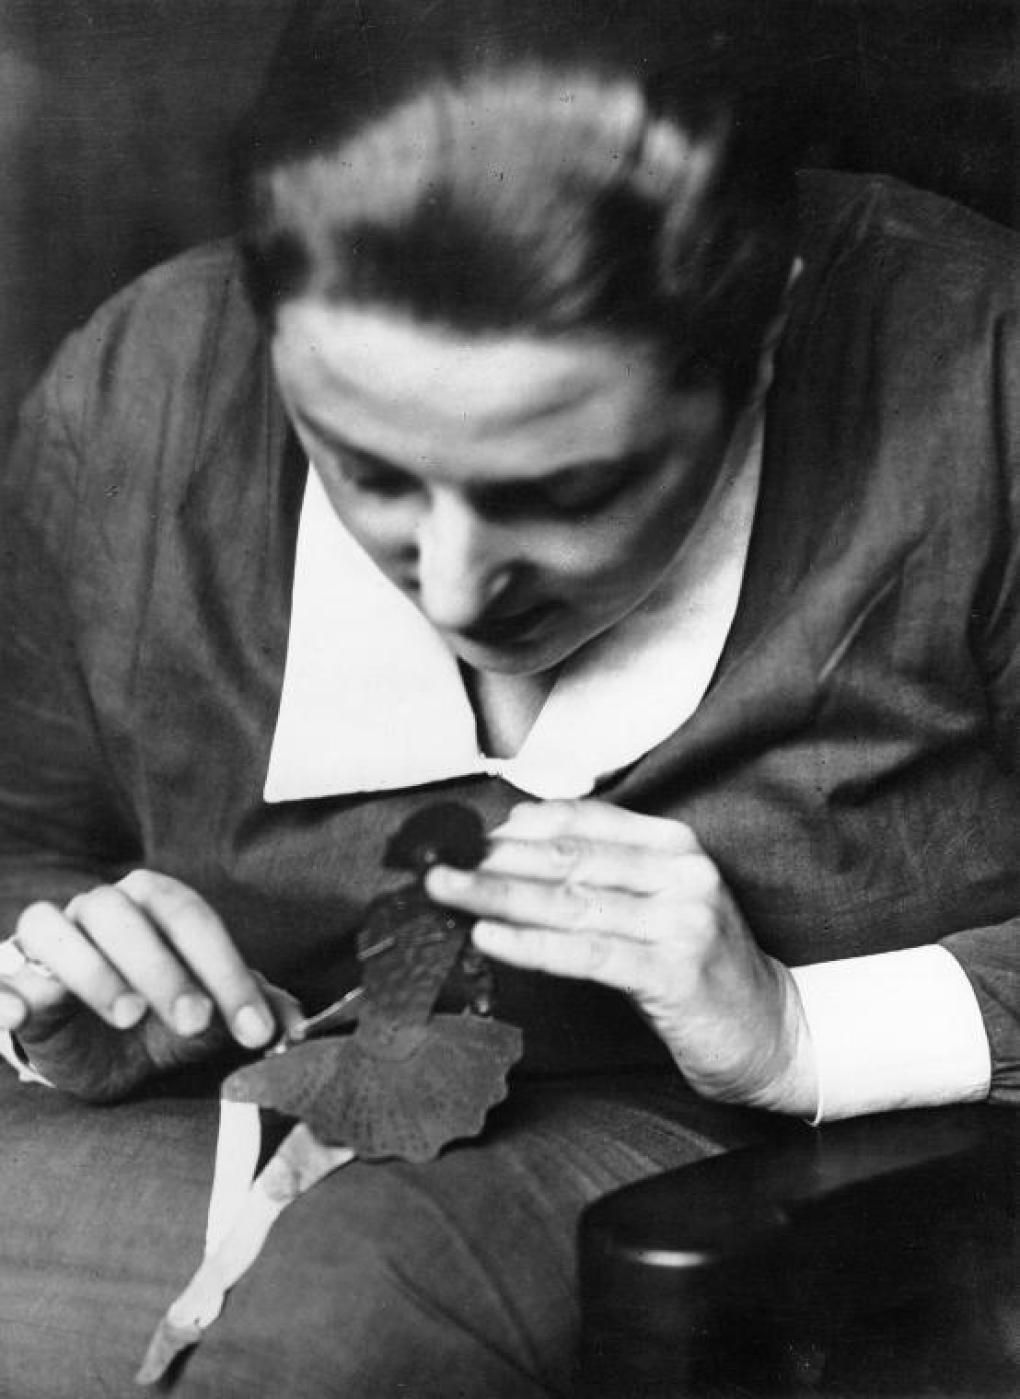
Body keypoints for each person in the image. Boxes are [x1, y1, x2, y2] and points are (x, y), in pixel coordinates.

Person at [0, 1, 1016, 1394]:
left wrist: (801, 1032)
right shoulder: (142, 392)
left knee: (356, 1317)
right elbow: (26, 836)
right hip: (189, 1125)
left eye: (571, 490)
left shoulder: (982, 376)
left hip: (784, 1183)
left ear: (765, 327)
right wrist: (65, 966)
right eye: (367, 469)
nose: (464, 590)